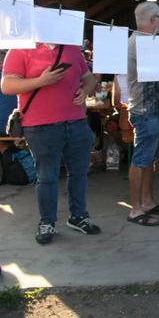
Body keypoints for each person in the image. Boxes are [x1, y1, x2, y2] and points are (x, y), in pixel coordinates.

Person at [2, 32, 100, 244]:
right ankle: (47, 222)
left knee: (80, 173)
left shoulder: (72, 48)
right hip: (39, 126)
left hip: (76, 122)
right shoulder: (21, 48)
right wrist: (41, 80)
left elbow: (89, 78)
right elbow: (7, 86)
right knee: (47, 176)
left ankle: (78, 216)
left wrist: (85, 90)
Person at [126, 2, 159, 226]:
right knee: (141, 159)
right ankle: (136, 209)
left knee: (149, 159)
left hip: (150, 109)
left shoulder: (142, 41)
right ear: (152, 20)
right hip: (145, 109)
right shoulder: (143, 43)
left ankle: (147, 202)